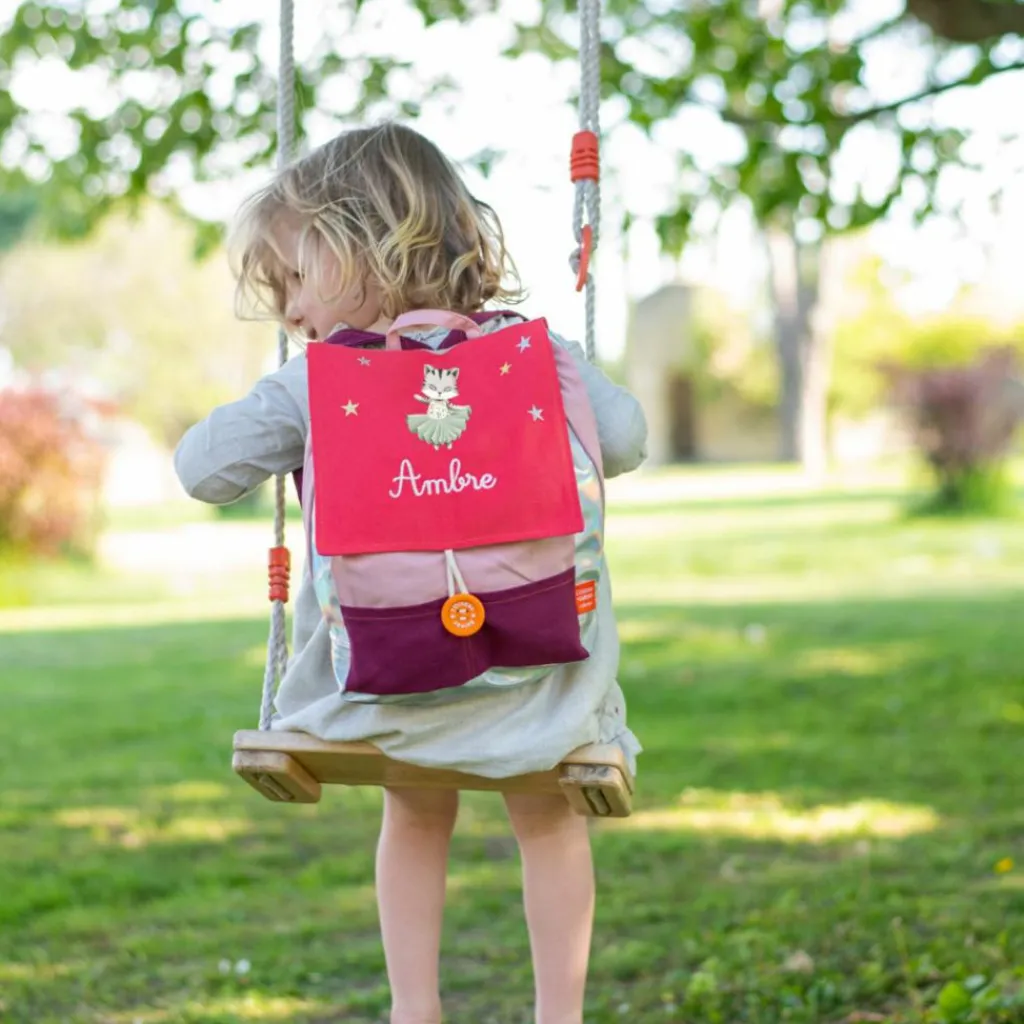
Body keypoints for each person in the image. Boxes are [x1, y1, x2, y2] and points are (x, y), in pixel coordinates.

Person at [175, 122, 647, 1024]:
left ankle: (413, 1011)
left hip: (395, 690)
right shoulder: (533, 358)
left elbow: (203, 469)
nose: (288, 310)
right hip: (537, 696)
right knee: (548, 820)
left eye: (294, 279)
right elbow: (624, 443)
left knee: (415, 814)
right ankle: (559, 1014)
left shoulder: (323, 379)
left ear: (364, 247)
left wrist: (300, 391)